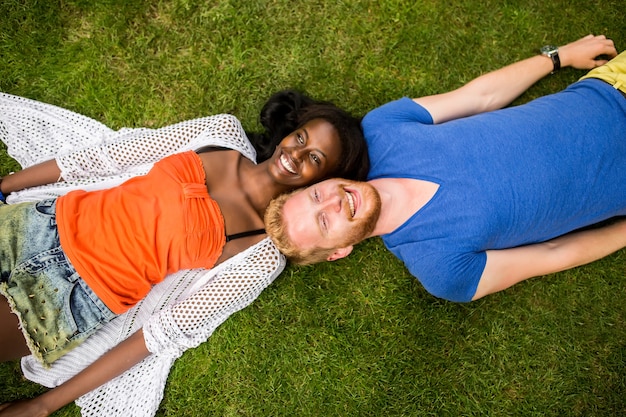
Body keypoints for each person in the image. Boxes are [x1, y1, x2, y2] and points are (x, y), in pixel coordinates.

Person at [0, 89, 369, 416]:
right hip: (41, 223)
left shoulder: (260, 255)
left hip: (68, 299)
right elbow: (106, 157)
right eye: (301, 138)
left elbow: (161, 332)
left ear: (323, 181)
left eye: (315, 159)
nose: (295, 154)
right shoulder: (220, 134)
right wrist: (4, 188)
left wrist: (42, 405)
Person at [265, 34, 626, 304]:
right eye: (324, 222)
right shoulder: (441, 269)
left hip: (610, 85)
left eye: (316, 195)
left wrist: (558, 57)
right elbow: (554, 253)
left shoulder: (381, 129)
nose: (333, 202)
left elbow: (479, 96)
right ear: (338, 252)